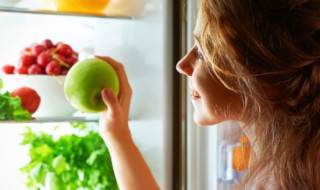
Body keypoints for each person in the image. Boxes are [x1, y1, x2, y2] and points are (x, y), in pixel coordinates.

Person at [97, 0, 320, 189]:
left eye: (202, 52)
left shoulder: (285, 181)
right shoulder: (294, 161)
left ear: (256, 67)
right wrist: (118, 135)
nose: (182, 65)